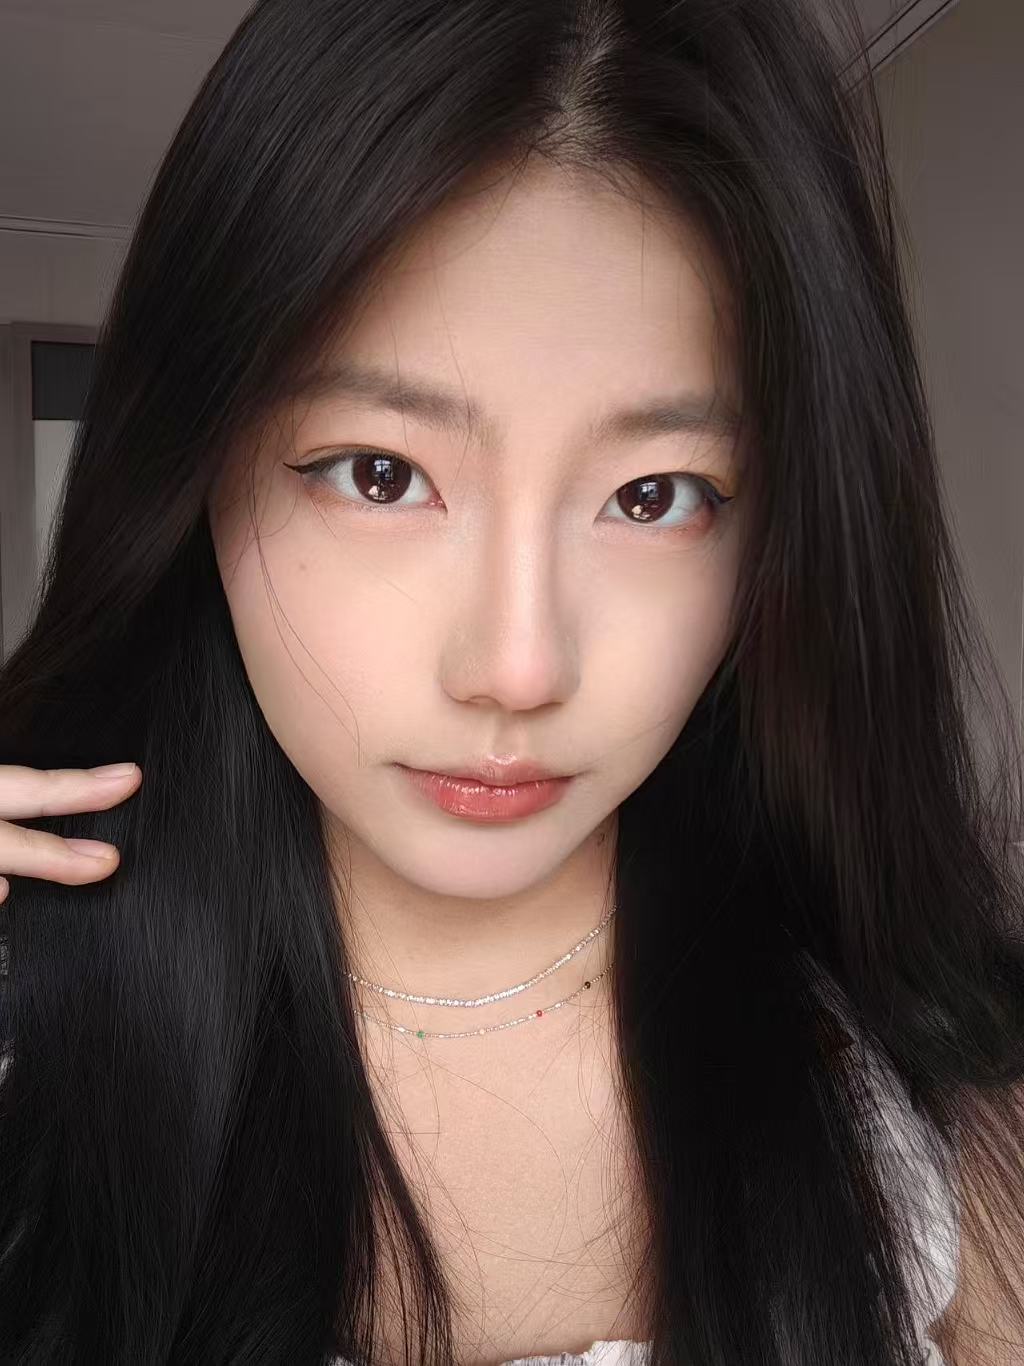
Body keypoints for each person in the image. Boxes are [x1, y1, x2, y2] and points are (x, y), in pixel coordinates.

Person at [1, 0, 1023, 1361]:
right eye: (380, 474)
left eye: (655, 496)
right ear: (192, 475)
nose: (517, 666)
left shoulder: (932, 1101)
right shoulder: (33, 1027)